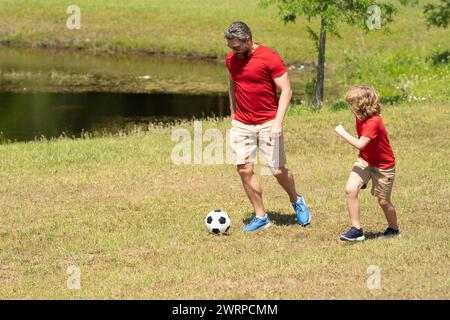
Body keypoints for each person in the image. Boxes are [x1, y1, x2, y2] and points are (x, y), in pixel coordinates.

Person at [224, 21, 311, 231]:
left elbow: (287, 91)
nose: (233, 51)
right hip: (242, 124)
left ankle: (296, 199)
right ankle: (261, 216)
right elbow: (232, 85)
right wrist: (233, 114)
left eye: (236, 47)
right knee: (244, 169)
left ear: (248, 40)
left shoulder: (270, 58)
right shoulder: (231, 60)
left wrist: (278, 122)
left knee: (277, 170)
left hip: (268, 122)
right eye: (230, 47)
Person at [335, 84, 400, 242]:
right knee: (350, 190)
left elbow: (360, 144)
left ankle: (394, 229)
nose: (350, 108)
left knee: (383, 201)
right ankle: (356, 230)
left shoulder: (374, 122)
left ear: (361, 105)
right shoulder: (360, 117)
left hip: (383, 166)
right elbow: (363, 149)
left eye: (352, 104)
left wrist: (342, 132)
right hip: (365, 160)